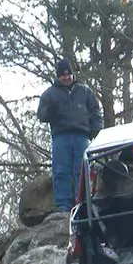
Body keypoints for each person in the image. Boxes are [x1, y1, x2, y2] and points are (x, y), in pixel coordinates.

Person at [37, 57, 103, 212]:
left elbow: (95, 112)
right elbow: (41, 116)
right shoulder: (49, 94)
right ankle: (64, 206)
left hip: (82, 136)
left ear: (73, 74)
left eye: (69, 74)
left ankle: (83, 202)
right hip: (61, 137)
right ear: (58, 76)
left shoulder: (84, 91)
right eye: (63, 75)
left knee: (82, 170)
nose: (66, 77)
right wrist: (51, 109)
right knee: (61, 171)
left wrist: (97, 130)